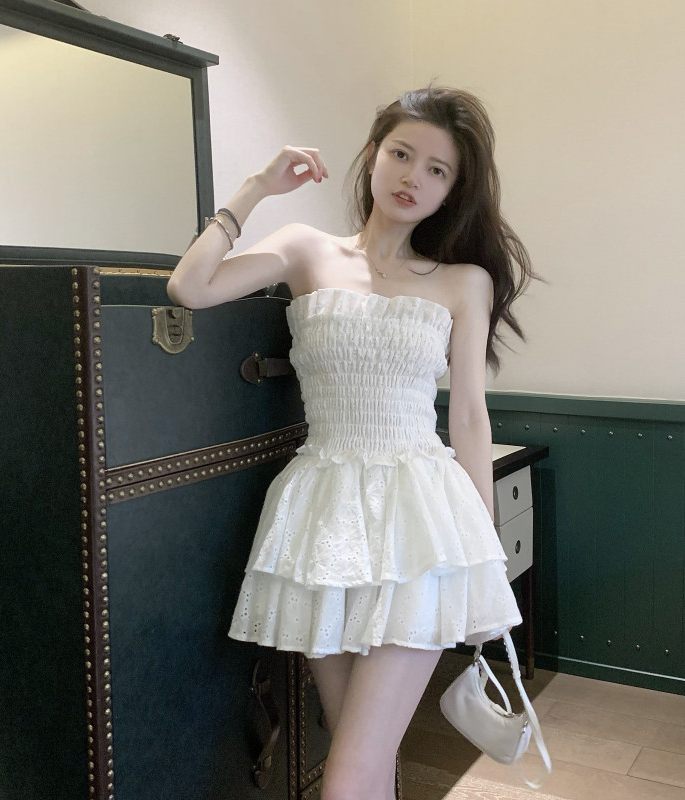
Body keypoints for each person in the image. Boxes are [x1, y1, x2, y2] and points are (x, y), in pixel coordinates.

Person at [167, 85, 535, 800]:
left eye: (437, 170)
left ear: (452, 191)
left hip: (421, 521)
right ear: (372, 155)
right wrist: (256, 188)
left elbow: (468, 418)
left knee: (347, 776)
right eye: (402, 154)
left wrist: (480, 557)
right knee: (361, 760)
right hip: (323, 518)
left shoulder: (464, 281)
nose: (413, 177)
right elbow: (190, 287)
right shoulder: (306, 249)